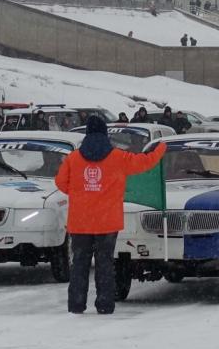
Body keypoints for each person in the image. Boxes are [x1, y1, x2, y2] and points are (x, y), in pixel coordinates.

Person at [55, 116, 166, 314]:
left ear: (87, 133)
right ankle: (105, 305)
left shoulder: (73, 158)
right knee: (105, 263)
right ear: (105, 134)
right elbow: (144, 162)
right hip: (107, 221)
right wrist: (160, 149)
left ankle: (76, 305)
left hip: (80, 221)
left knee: (79, 263)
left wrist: (81, 193)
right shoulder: (118, 157)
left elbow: (61, 183)